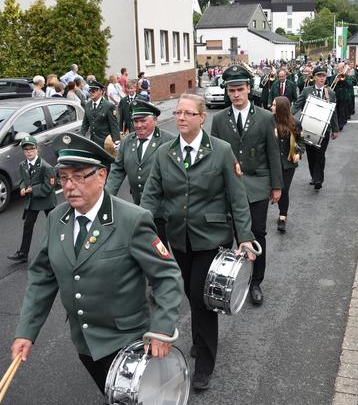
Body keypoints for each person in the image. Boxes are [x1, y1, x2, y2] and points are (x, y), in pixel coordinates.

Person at [11, 132, 184, 395]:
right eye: (64, 177)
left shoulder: (132, 219)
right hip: (84, 342)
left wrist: (162, 328)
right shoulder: (57, 218)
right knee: (111, 394)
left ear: (101, 175)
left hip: (126, 340)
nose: (69, 186)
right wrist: (26, 331)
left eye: (79, 176)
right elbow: (42, 278)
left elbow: (167, 276)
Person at [140, 93, 256, 390]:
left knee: (201, 299)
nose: (180, 117)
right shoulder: (164, 153)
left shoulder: (221, 150)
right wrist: (135, 228)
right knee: (191, 295)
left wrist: (245, 238)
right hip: (179, 238)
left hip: (211, 238)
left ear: (202, 117)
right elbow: (151, 196)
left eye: (188, 113)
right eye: (178, 112)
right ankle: (201, 340)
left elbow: (238, 198)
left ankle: (204, 363)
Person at [210, 65, 283, 306]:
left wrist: (277, 186)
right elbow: (213, 155)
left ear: (249, 89)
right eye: (231, 90)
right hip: (228, 186)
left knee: (257, 233)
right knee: (227, 235)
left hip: (258, 185)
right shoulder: (219, 119)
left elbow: (273, 153)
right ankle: (228, 279)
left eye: (240, 89)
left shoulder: (265, 117)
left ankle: (255, 282)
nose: (236, 94)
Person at [106, 100, 175, 244]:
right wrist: (105, 198)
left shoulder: (169, 141)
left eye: (143, 121)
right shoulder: (127, 141)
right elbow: (117, 171)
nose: (138, 125)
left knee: (161, 247)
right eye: (135, 121)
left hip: (163, 210)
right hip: (138, 205)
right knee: (145, 245)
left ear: (155, 120)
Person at [7, 136, 57, 264]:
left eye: (32, 148)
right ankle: (23, 253)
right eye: (26, 149)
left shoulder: (46, 167)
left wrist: (32, 189)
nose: (29, 152)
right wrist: (22, 188)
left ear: (37, 149)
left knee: (54, 226)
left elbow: (49, 186)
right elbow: (23, 180)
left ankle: (59, 250)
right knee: (27, 226)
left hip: (47, 200)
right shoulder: (22, 165)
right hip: (33, 201)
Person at [293, 65, 339, 190]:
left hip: (324, 130)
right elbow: (297, 105)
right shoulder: (306, 91)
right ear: (314, 77)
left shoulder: (330, 93)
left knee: (320, 154)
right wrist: (286, 116)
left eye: (324, 76)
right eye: (319, 76)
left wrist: (335, 129)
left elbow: (334, 112)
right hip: (308, 128)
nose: (322, 78)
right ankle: (314, 176)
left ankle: (318, 179)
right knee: (311, 155)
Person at [271, 96, 303, 233]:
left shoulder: (295, 123)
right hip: (271, 162)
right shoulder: (268, 121)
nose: (271, 107)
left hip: (287, 163)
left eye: (274, 105)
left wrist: (298, 153)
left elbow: (301, 141)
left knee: (284, 190)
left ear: (281, 108)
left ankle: (282, 216)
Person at [80, 80, 121, 149]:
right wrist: (81, 137)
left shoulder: (108, 106)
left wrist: (116, 142)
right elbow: (85, 124)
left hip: (106, 142)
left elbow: (114, 126)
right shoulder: (88, 105)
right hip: (93, 142)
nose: (91, 93)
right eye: (90, 91)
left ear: (101, 91)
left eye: (94, 91)